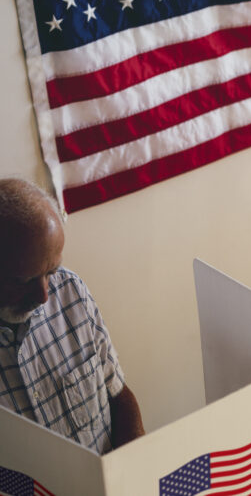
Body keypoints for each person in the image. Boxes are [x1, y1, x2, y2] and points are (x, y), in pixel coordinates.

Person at [0, 178, 144, 455]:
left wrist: (133, 469)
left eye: (50, 272)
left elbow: (117, 394)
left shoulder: (70, 290)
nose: (43, 296)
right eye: (22, 280)